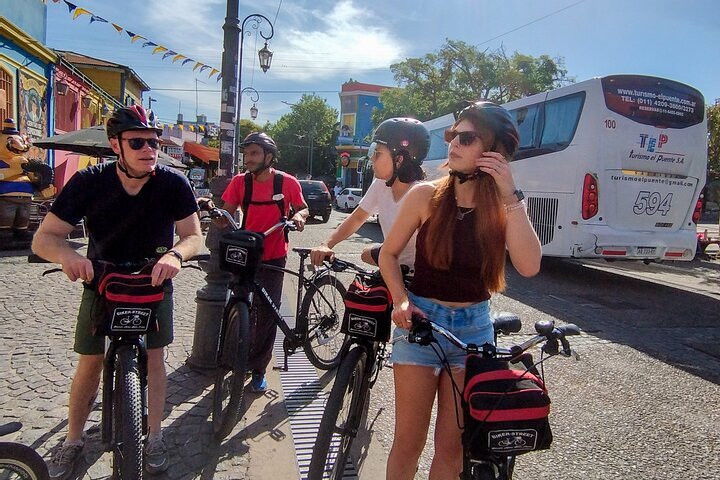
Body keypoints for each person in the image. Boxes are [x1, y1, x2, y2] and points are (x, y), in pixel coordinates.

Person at [32, 105, 203, 479]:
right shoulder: (89, 182)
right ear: (115, 146)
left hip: (154, 280)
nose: (149, 149)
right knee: (90, 362)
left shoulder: (174, 183)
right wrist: (68, 257)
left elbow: (193, 235)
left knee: (156, 358)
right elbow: (43, 239)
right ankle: (73, 440)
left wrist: (176, 255)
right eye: (138, 142)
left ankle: (154, 436)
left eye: (153, 142)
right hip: (102, 281)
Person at [378, 101, 542, 479]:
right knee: (408, 442)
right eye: (452, 136)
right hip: (421, 324)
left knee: (452, 448)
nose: (452, 144)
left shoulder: (504, 207)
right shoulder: (425, 196)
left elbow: (530, 266)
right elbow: (388, 255)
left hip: (473, 329)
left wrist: (510, 192)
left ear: (494, 152)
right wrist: (401, 300)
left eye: (465, 138)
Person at [221, 131, 309, 392]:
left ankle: (259, 368)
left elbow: (302, 207)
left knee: (268, 312)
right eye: (246, 154)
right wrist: (215, 215)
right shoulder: (240, 182)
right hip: (245, 253)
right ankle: (230, 360)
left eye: (254, 154)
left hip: (273, 255)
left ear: (268, 156)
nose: (248, 159)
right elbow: (226, 210)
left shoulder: (287, 182)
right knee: (237, 304)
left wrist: (299, 217)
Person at [310, 118, 430, 269]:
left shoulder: (422, 193)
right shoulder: (381, 184)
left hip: (418, 275)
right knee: (365, 254)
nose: (371, 158)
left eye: (377, 153)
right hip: (391, 264)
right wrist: (326, 244)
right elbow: (358, 217)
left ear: (398, 159)